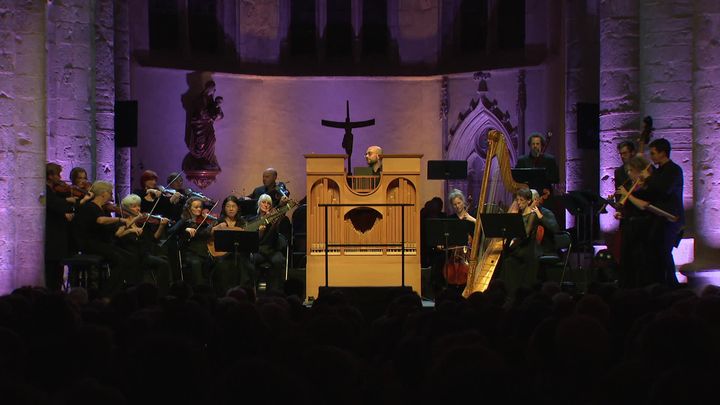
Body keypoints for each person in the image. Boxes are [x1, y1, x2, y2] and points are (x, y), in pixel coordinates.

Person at [618, 139, 684, 287]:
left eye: (653, 153)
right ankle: (661, 284)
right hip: (658, 217)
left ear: (663, 153)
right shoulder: (659, 171)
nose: (651, 157)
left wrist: (648, 178)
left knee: (663, 251)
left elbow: (663, 190)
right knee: (657, 252)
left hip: (670, 217)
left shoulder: (673, 170)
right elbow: (650, 194)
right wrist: (635, 191)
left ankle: (670, 285)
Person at [73, 181, 137, 295]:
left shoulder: (102, 209)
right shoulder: (90, 207)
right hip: (91, 244)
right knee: (121, 260)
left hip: (102, 243)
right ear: (103, 193)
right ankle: (107, 293)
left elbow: (112, 230)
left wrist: (129, 224)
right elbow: (100, 220)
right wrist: (120, 219)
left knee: (130, 257)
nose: (111, 195)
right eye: (110, 193)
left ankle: (124, 291)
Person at [115, 194, 172, 295]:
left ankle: (162, 292)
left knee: (164, 262)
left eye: (138, 206)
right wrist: (132, 228)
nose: (138, 208)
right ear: (126, 209)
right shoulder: (122, 222)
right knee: (161, 263)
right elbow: (118, 236)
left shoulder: (142, 223)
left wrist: (161, 226)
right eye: (134, 206)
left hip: (143, 254)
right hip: (129, 255)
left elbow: (153, 239)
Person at [613, 156, 654, 288]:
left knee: (640, 262)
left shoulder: (648, 187)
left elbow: (643, 206)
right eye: (628, 170)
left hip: (642, 229)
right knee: (626, 262)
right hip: (629, 227)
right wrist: (621, 214)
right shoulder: (632, 187)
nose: (629, 173)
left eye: (631, 170)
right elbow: (630, 208)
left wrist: (628, 195)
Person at [496, 188, 542, 296]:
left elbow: (525, 234)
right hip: (519, 247)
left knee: (508, 262)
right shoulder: (518, 216)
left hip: (527, 249)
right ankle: (505, 292)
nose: (519, 203)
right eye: (518, 200)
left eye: (522, 200)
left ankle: (511, 293)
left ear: (529, 201)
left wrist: (514, 231)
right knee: (505, 258)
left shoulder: (532, 215)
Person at [209, 195, 255, 295]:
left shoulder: (243, 222)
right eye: (228, 206)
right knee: (222, 267)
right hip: (223, 257)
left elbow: (248, 242)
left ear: (238, 208)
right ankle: (225, 294)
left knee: (245, 265)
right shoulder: (218, 221)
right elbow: (207, 235)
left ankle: (242, 294)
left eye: (233, 206)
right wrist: (215, 228)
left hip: (241, 255)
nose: (231, 209)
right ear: (224, 208)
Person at [167, 197, 215, 287]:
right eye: (196, 207)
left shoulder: (204, 222)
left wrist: (212, 225)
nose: (199, 209)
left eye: (200, 207)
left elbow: (204, 234)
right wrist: (185, 228)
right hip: (190, 253)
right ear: (189, 208)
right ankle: (198, 289)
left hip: (204, 252)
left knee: (212, 263)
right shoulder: (184, 221)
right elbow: (170, 231)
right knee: (196, 263)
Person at [45, 163, 77, 290]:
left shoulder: (54, 191)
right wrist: (67, 202)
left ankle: (56, 292)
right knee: (52, 271)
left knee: (58, 268)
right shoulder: (46, 190)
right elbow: (54, 205)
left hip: (58, 234)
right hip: (52, 235)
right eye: (58, 174)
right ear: (50, 176)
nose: (60, 177)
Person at [249, 194, 287, 293]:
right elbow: (252, 241)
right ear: (259, 204)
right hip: (258, 250)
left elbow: (281, 214)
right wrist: (260, 232)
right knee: (250, 259)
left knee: (278, 260)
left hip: (272, 250)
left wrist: (282, 205)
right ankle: (253, 291)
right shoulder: (253, 220)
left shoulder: (274, 217)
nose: (266, 205)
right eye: (263, 202)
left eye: (268, 203)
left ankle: (274, 292)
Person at [184, 80, 223, 171]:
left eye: (214, 90)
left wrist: (217, 112)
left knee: (212, 140)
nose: (213, 91)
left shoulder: (210, 100)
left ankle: (208, 160)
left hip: (208, 126)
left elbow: (219, 115)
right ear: (208, 89)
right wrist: (212, 115)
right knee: (201, 144)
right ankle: (200, 161)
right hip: (199, 126)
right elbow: (200, 113)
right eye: (212, 90)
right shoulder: (200, 100)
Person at [515, 133, 559, 199]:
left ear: (542, 145)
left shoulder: (550, 160)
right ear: (530, 145)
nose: (535, 146)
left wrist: (542, 174)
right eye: (533, 144)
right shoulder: (522, 160)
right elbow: (517, 178)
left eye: (537, 144)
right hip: (527, 196)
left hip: (545, 196)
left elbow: (556, 179)